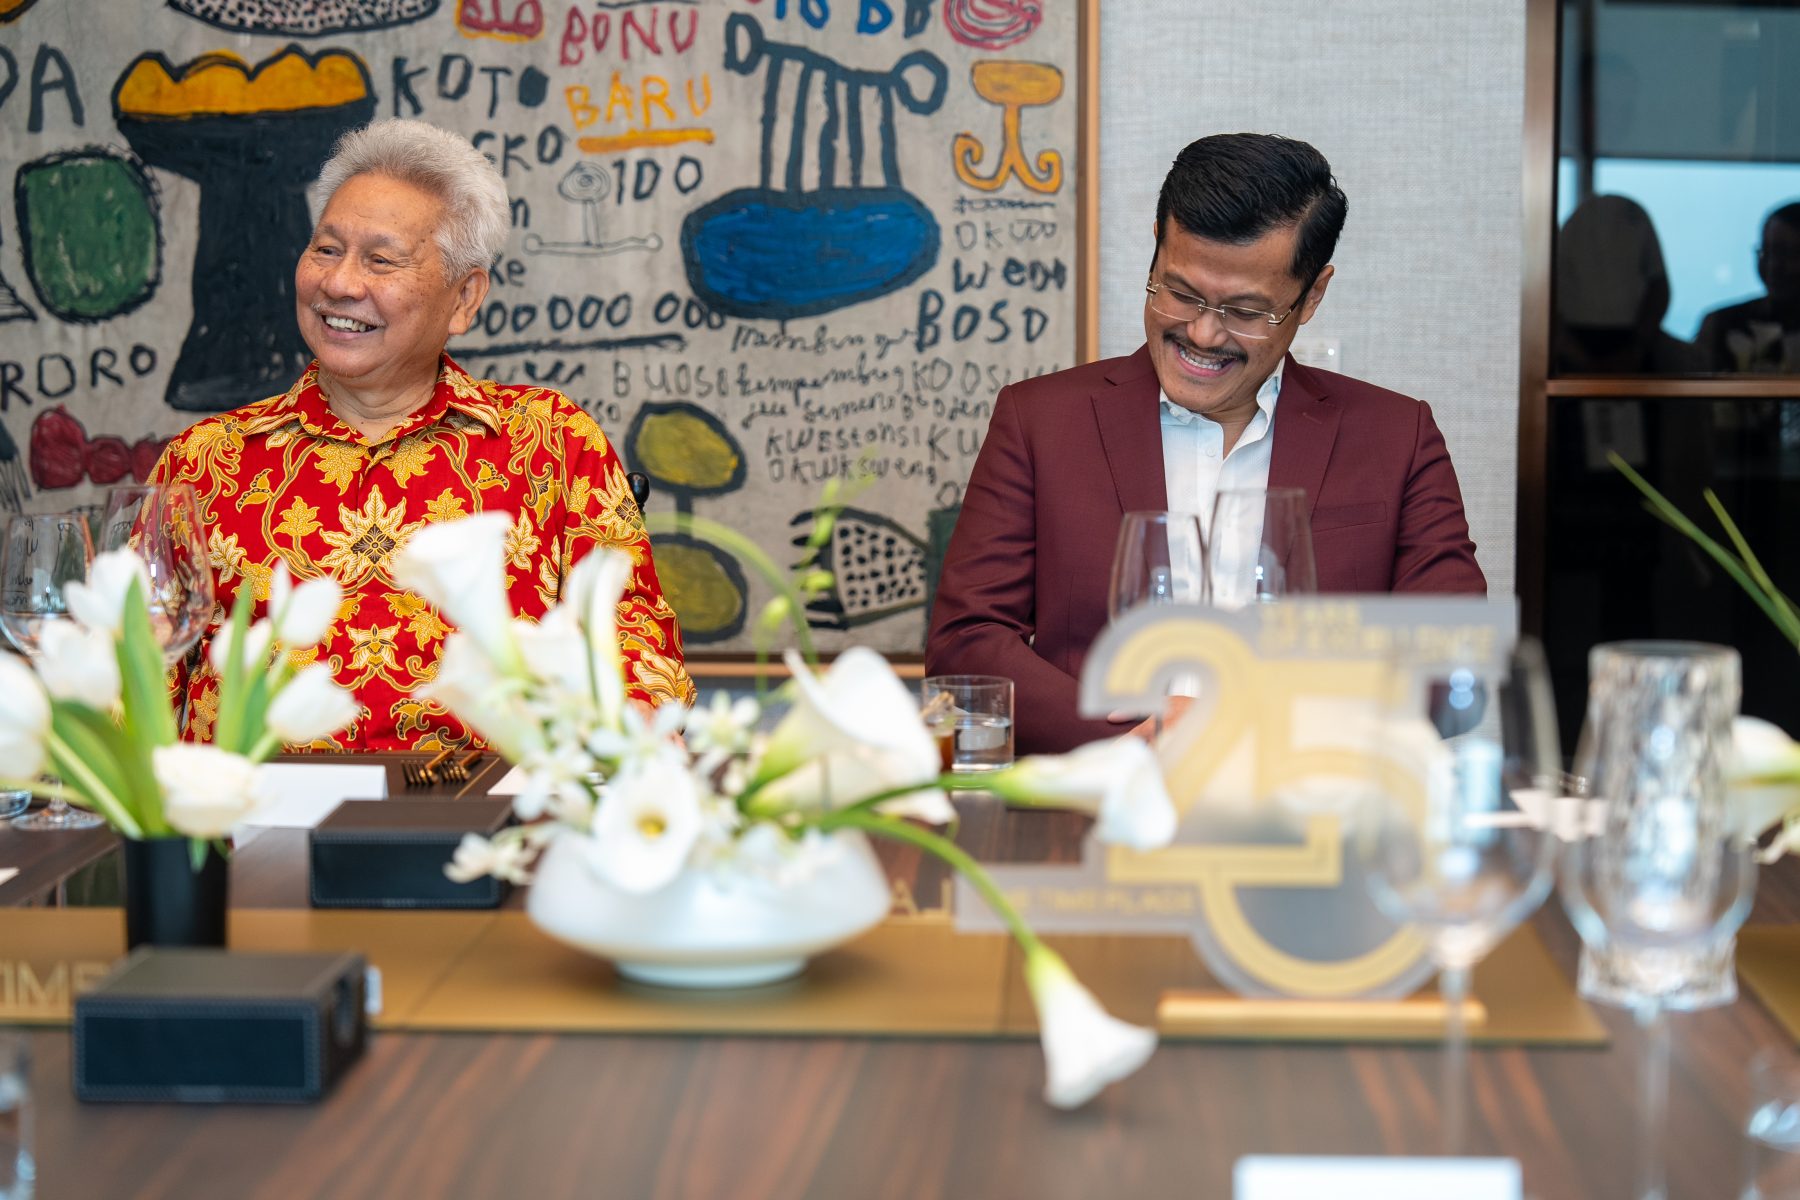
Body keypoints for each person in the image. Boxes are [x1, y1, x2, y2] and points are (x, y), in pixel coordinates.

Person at [926, 133, 1485, 755]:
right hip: (1098, 795)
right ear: (1156, 253)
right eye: (1180, 293)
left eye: (1245, 311)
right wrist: (1137, 736)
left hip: (1307, 797)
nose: (1202, 334)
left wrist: (1274, 728)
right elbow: (966, 641)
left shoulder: (1396, 436)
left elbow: (1452, 658)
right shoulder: (1040, 421)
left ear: (1312, 296)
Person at [149, 119, 694, 750]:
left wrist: (637, 730)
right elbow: (131, 679)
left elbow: (633, 640)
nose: (340, 283)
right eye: (326, 249)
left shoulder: (548, 442)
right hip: (254, 809)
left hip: (488, 807)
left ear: (464, 299)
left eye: (381, 260)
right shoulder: (206, 461)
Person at [1696, 202, 1800, 373]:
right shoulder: (1719, 324)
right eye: (1766, 252)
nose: (1773, 266)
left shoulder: (1721, 323)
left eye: (1787, 253)